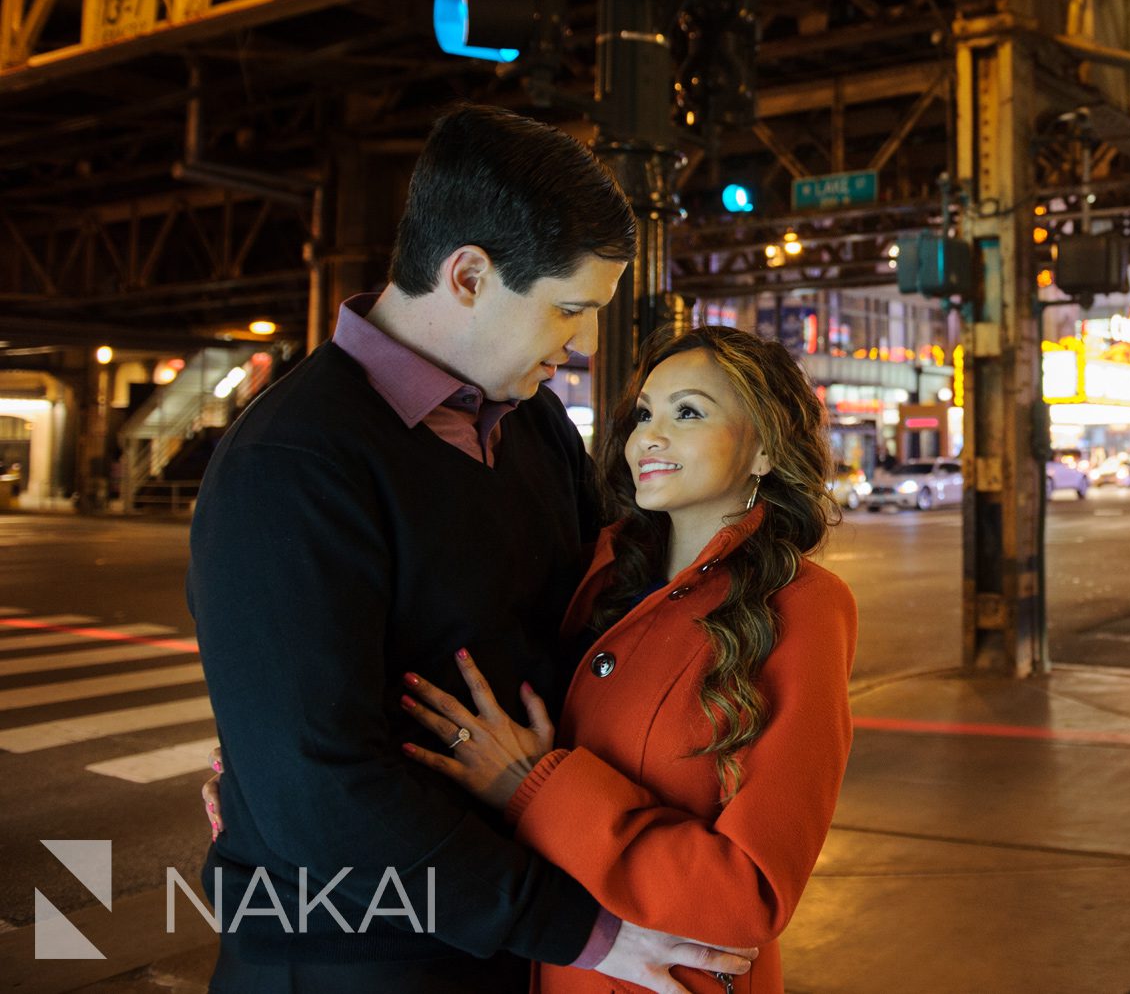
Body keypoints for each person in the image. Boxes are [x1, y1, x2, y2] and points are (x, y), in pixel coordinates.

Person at [190, 107, 753, 993]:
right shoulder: (293, 461)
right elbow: (321, 789)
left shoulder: (529, 424)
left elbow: (598, 632)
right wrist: (587, 933)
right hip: (356, 955)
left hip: (502, 928)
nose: (587, 344)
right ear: (467, 276)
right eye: (571, 307)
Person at [402, 325, 858, 994]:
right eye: (645, 413)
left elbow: (751, 892)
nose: (650, 436)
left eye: (689, 412)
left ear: (764, 447)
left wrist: (538, 787)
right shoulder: (603, 571)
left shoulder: (802, 606)